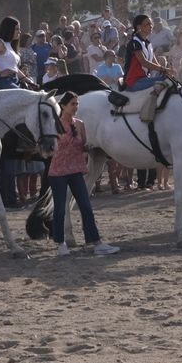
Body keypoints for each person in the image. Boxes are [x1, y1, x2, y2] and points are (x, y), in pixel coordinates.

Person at [46, 92, 120, 257]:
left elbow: (83, 145)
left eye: (77, 104)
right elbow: (48, 147)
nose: (76, 107)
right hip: (58, 171)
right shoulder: (53, 124)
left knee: (86, 206)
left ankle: (96, 242)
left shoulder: (80, 124)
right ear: (63, 106)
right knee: (59, 209)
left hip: (76, 170)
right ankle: (60, 242)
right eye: (72, 104)